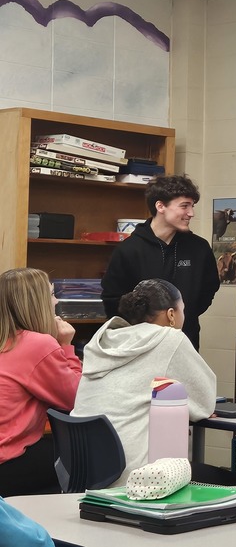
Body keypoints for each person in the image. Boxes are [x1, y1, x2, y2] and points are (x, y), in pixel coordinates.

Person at [73, 279, 218, 486]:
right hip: (135, 478)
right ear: (171, 315)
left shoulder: (104, 340)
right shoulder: (170, 338)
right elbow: (205, 402)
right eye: (183, 310)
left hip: (85, 473)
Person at [101, 174, 220, 350]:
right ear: (160, 206)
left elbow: (208, 290)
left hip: (184, 342)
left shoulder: (199, 249)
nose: (191, 213)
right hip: (138, 346)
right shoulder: (129, 250)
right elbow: (112, 300)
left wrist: (181, 317)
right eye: (184, 206)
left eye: (192, 206)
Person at [0, 268, 81, 497]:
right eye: (52, 294)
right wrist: (66, 346)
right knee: (80, 457)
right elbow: (76, 398)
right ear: (37, 303)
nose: (56, 301)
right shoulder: (38, 345)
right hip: (6, 462)